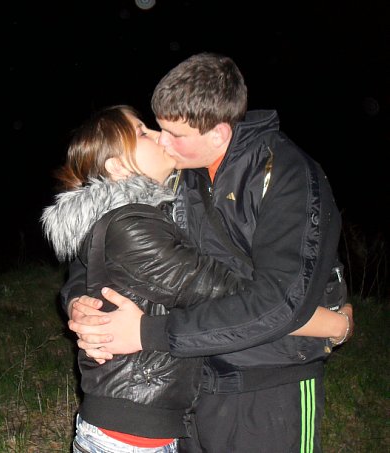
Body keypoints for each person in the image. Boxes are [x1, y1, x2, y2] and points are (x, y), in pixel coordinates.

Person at [64, 53, 353, 453]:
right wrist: (80, 301)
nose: (163, 140)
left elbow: (276, 302)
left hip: (270, 384)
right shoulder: (177, 174)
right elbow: (101, 246)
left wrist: (333, 325)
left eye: (173, 133)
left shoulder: (286, 175)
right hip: (193, 387)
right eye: (155, 128)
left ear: (217, 134)